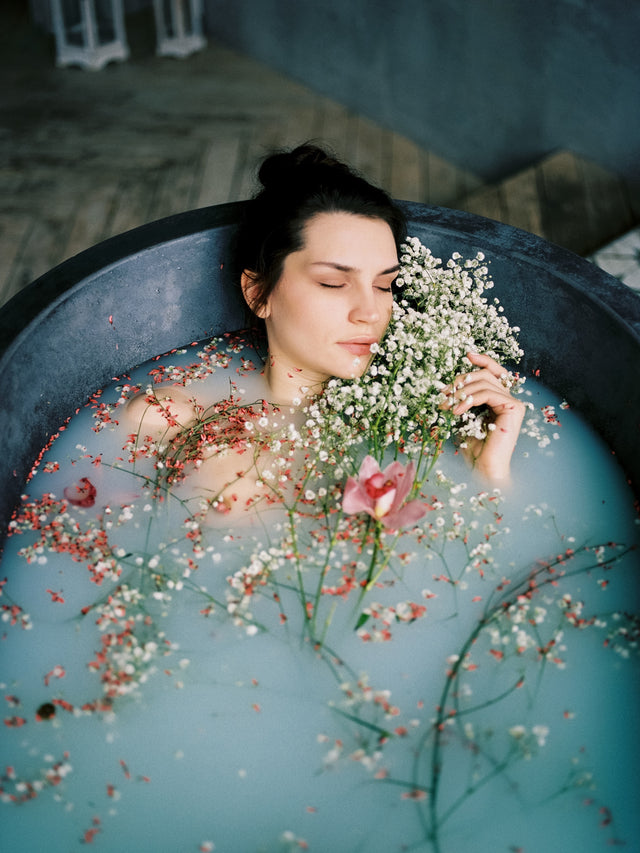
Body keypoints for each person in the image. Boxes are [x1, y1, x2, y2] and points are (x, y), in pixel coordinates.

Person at [125, 144, 525, 512]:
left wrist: (487, 472)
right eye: (333, 283)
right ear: (259, 293)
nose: (370, 312)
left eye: (385, 285)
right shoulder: (173, 417)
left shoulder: (428, 425)